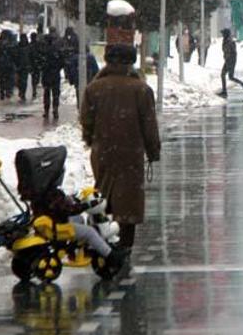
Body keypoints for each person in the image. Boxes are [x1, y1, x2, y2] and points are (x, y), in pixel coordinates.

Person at [81, 44, 161, 252]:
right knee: (129, 199)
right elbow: (149, 125)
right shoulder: (141, 89)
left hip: (103, 151)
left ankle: (101, 239)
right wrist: (153, 151)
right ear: (131, 62)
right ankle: (125, 242)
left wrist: (92, 141)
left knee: (104, 193)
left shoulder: (94, 88)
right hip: (131, 152)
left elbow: (86, 121)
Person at [220, 28, 243, 98]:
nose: (222, 35)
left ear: (226, 34)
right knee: (223, 75)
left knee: (230, 76)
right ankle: (224, 91)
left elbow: (232, 52)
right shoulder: (226, 41)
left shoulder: (230, 42)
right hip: (228, 60)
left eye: (223, 33)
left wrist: (229, 60)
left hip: (230, 61)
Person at [41, 33, 63, 120]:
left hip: (46, 74)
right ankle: (55, 109)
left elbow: (40, 62)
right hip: (55, 74)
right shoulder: (57, 50)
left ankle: (46, 111)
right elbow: (62, 61)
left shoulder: (44, 50)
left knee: (46, 93)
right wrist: (57, 68)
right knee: (55, 93)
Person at [0, 30, 18, 101]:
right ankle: (7, 91)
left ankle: (3, 92)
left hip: (2, 64)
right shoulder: (12, 43)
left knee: (3, 79)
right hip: (8, 64)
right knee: (8, 78)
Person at [16, 33, 31, 102]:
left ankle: (22, 93)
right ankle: (22, 92)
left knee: (23, 81)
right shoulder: (19, 46)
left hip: (24, 66)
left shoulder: (27, 46)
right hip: (21, 66)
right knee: (21, 81)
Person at [28, 32, 43, 99]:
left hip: (34, 63)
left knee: (34, 77)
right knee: (35, 76)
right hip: (35, 63)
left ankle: (34, 87)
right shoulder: (37, 45)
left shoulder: (31, 45)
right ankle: (34, 88)